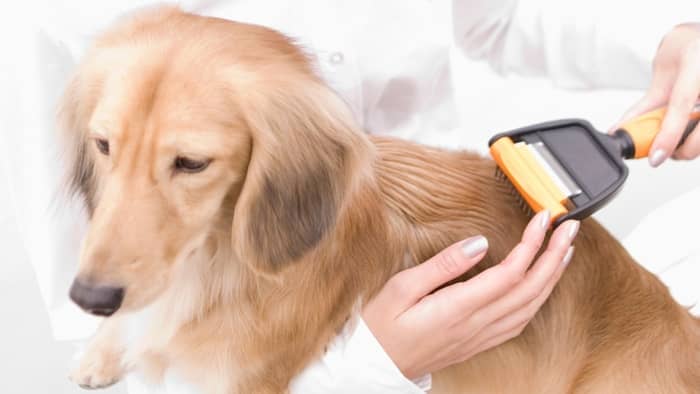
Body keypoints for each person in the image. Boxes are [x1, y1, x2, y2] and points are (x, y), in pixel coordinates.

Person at [0, 1, 696, 394]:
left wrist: (667, 40)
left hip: (444, 245)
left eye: (188, 160)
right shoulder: (72, 44)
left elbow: (494, 19)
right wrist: (375, 365)